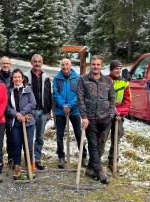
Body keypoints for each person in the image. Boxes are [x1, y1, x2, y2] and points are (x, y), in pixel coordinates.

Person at [77, 56, 116, 184]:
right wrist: (84, 116)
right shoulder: (83, 80)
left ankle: (90, 169)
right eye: (93, 64)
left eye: (98, 64)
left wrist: (110, 115)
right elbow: (80, 99)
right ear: (90, 65)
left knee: (101, 145)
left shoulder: (107, 81)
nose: (96, 66)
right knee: (93, 145)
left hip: (105, 118)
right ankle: (99, 171)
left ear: (101, 66)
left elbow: (112, 99)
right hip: (90, 119)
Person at [53, 58, 88, 169]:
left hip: (74, 110)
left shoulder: (77, 78)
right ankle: (61, 156)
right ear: (61, 66)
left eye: (67, 64)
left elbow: (79, 94)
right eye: (63, 65)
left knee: (78, 133)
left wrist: (70, 105)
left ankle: (83, 156)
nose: (65, 67)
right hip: (60, 110)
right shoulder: (57, 78)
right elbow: (55, 93)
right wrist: (63, 105)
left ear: (70, 65)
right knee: (59, 134)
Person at [6, 69, 36, 180]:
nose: (17, 79)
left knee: (28, 145)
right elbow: (7, 107)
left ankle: (30, 167)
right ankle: (17, 168)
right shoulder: (9, 91)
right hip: (15, 123)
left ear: (22, 78)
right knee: (16, 146)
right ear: (12, 79)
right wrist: (16, 115)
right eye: (15, 77)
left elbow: (33, 103)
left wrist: (22, 113)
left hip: (28, 122)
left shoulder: (28, 89)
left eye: (19, 77)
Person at [102, 60, 131, 171]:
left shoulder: (125, 83)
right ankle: (96, 163)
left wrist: (120, 112)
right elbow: (101, 99)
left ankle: (112, 161)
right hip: (105, 115)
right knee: (102, 138)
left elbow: (128, 101)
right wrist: (110, 109)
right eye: (116, 68)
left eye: (120, 69)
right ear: (111, 69)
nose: (118, 71)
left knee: (116, 138)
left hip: (118, 116)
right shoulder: (104, 81)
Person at [24, 54, 52, 171]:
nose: (37, 63)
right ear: (31, 63)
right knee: (28, 137)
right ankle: (29, 160)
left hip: (42, 111)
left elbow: (49, 95)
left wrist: (49, 111)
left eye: (39, 61)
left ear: (42, 63)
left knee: (39, 137)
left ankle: (37, 159)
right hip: (30, 112)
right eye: (35, 61)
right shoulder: (25, 76)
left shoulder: (46, 77)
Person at [0, 56, 13, 167]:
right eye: (3, 63)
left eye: (7, 63)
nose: (5, 65)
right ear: (0, 65)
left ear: (10, 65)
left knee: (11, 136)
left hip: (11, 111)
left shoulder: (14, 77)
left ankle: (11, 159)